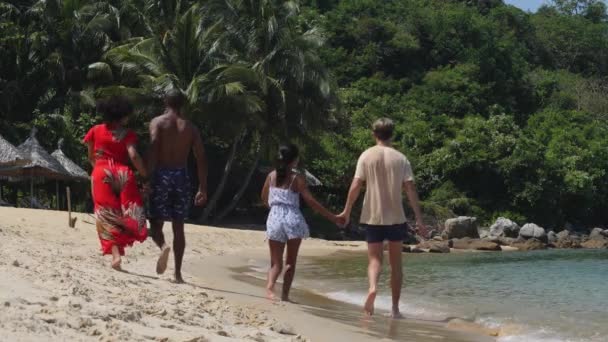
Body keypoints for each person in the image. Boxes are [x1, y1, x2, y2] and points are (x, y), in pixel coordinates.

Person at [338, 118, 428, 318]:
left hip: (372, 217)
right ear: (392, 134)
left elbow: (356, 185)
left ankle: (372, 288)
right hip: (396, 218)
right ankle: (395, 309)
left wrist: (346, 210)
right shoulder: (401, 158)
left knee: (374, 260)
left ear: (374, 134)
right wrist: (419, 219)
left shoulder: (366, 156)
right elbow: (410, 188)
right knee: (396, 265)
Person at [261, 144, 343, 301]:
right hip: (292, 219)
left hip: (274, 217)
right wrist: (332, 217)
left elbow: (264, 198)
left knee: (276, 263)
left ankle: (270, 288)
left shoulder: (271, 176)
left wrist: (274, 208)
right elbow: (311, 201)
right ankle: (285, 295)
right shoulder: (296, 178)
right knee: (290, 262)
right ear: (294, 160)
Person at [148, 89, 207, 284]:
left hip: (162, 173)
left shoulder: (157, 122)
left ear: (165, 101)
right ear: (183, 104)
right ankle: (178, 274)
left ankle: (164, 245)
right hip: (181, 176)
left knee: (156, 222)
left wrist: (147, 177)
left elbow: (154, 145)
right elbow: (201, 158)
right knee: (179, 226)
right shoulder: (190, 128)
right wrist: (202, 188)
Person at [83, 96, 148, 270]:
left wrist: (99, 169)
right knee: (127, 210)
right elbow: (133, 156)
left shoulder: (95, 130)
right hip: (123, 173)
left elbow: (91, 156)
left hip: (101, 172)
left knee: (106, 213)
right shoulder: (128, 134)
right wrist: (145, 174)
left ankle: (115, 255)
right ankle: (128, 239)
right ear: (123, 115)